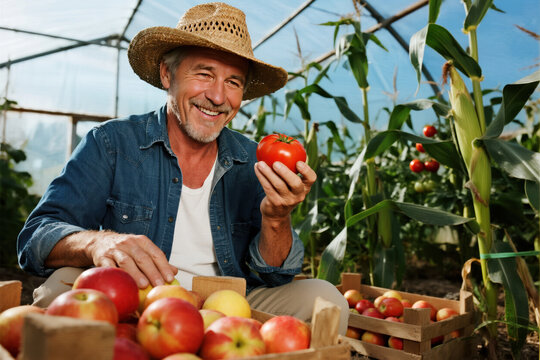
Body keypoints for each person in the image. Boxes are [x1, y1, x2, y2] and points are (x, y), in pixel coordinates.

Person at [17, 2, 348, 334]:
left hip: (232, 303)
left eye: (233, 82)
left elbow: (275, 276)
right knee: (60, 287)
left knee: (326, 297)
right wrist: (98, 244)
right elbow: (35, 238)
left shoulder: (255, 159)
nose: (218, 97)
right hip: (140, 295)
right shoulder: (112, 143)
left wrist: (277, 219)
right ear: (167, 74)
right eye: (204, 74)